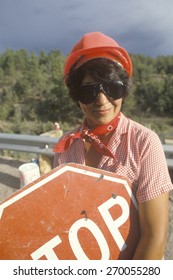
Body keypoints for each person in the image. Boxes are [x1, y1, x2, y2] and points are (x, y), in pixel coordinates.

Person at [53, 31, 173, 259]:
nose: (101, 100)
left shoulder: (144, 143)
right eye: (89, 91)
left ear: (124, 91)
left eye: (112, 88)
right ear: (77, 97)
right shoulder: (65, 147)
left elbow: (154, 237)